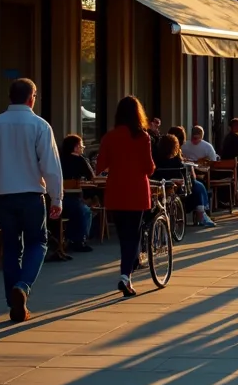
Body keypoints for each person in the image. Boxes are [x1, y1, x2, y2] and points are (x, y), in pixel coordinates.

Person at [0, 79, 63, 322]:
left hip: (2, 195)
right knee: (38, 242)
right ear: (32, 97)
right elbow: (51, 166)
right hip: (31, 193)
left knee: (11, 247)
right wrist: (57, 197)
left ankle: (13, 302)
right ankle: (22, 286)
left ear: (9, 97)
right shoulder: (40, 126)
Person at [96, 96, 156, 298]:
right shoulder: (143, 137)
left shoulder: (109, 137)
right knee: (134, 234)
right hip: (137, 191)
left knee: (124, 236)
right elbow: (149, 168)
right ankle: (125, 275)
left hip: (116, 191)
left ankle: (128, 267)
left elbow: (100, 166)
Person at [154, 134, 216, 228]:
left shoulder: (157, 160)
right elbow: (186, 179)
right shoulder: (176, 161)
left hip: (160, 186)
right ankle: (201, 213)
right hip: (177, 189)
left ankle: (201, 213)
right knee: (197, 185)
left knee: (197, 185)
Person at [58, 134, 95, 253]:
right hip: (73, 199)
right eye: (81, 146)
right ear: (75, 147)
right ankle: (80, 240)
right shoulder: (79, 160)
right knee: (86, 211)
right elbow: (91, 176)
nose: (82, 148)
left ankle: (69, 238)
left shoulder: (58, 159)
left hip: (57, 199)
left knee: (79, 210)